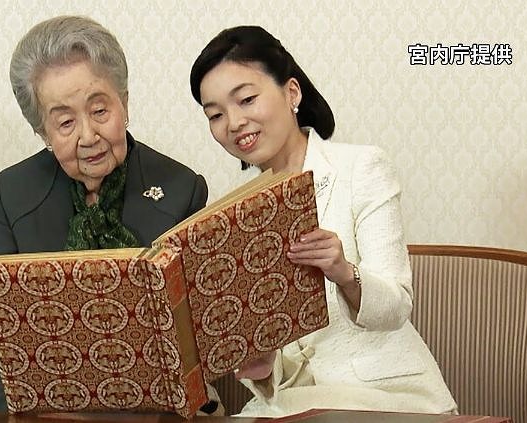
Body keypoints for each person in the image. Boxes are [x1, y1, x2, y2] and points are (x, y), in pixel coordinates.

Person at [189, 26, 458, 417]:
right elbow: (276, 356)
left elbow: (397, 306)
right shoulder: (236, 211)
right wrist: (263, 366)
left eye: (246, 99)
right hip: (292, 403)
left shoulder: (361, 167)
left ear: (291, 93)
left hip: (382, 396)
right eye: (215, 115)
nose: (233, 122)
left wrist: (345, 273)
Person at [0, 15, 221, 414]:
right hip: (36, 410)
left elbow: (197, 339)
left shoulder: (181, 189)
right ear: (43, 132)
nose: (88, 135)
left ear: (124, 103)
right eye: (66, 122)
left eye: (100, 110)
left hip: (150, 409)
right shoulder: (9, 195)